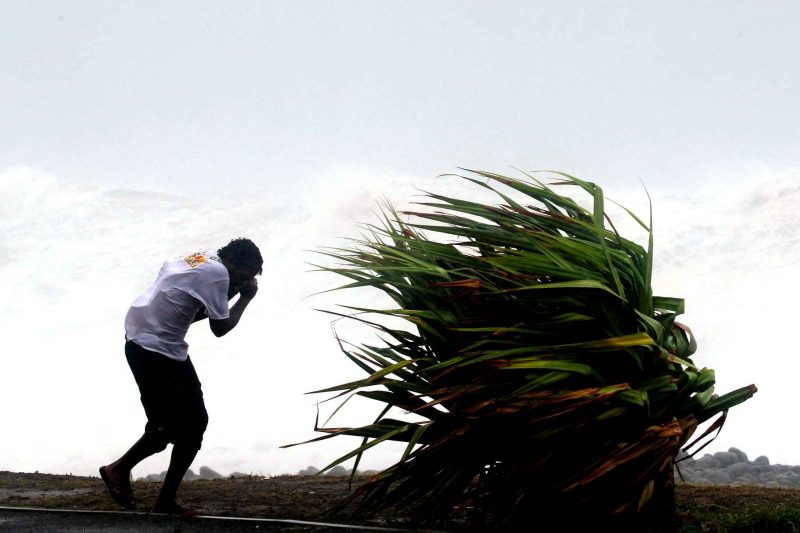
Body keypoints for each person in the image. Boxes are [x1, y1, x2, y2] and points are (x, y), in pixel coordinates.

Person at [99, 237, 262, 514]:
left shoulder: (204, 258)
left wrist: (231, 290)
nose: (244, 280)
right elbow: (220, 328)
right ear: (235, 264)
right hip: (149, 346)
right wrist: (245, 298)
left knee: (196, 421)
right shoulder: (218, 275)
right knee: (166, 426)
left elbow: (192, 311)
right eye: (245, 275)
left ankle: (165, 502)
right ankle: (117, 469)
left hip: (156, 339)